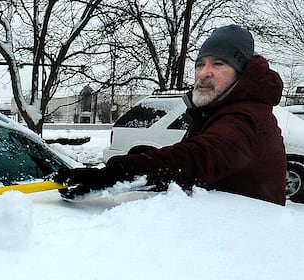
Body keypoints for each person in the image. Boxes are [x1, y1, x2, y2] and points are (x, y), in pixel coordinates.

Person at [53, 24, 287, 206]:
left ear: (240, 73)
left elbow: (201, 158)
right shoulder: (220, 110)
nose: (204, 73)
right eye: (200, 64)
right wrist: (149, 158)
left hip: (242, 243)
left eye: (218, 64)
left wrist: (114, 175)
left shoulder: (246, 115)